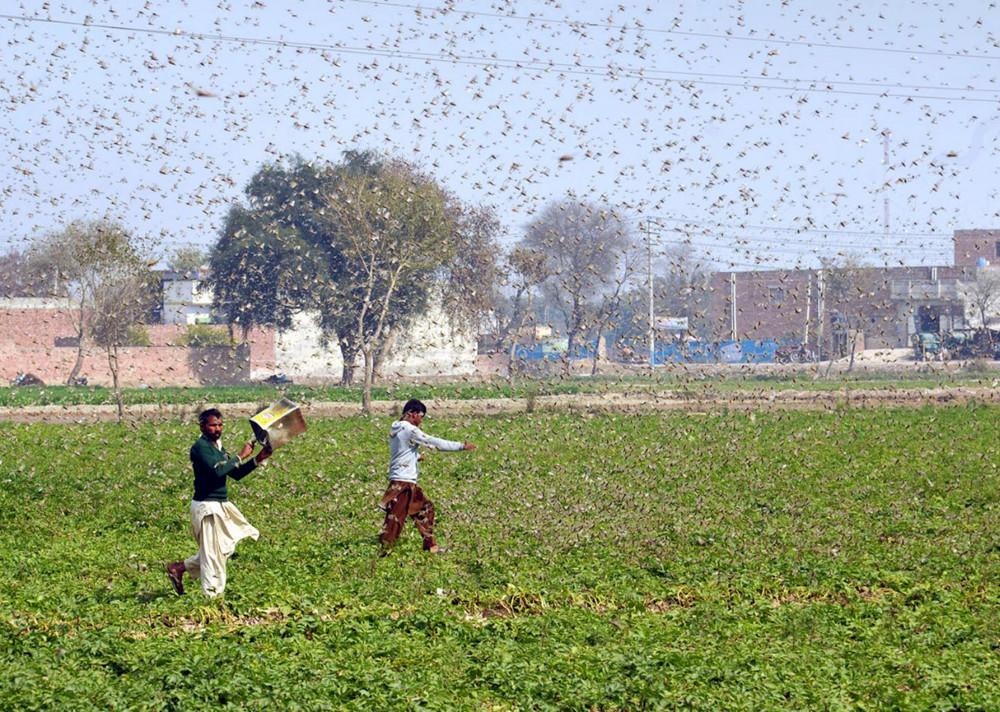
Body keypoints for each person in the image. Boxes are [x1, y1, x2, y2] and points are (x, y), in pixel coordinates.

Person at [166, 407, 272, 596]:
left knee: (222, 549)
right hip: (207, 506)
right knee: (213, 556)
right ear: (202, 427)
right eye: (213, 425)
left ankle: (179, 568)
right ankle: (212, 598)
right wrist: (239, 456)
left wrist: (257, 459)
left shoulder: (218, 448)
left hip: (219, 503)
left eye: (220, 425)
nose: (217, 429)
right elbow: (217, 472)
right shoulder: (200, 448)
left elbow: (235, 473)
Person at [378, 398, 476, 553]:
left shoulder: (395, 427)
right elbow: (433, 442)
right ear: (414, 414)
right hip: (402, 483)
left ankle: (431, 546)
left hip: (406, 481)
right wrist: (460, 446)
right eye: (421, 416)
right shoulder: (409, 429)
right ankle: (382, 553)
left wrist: (415, 457)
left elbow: (400, 451)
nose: (421, 420)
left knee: (426, 508)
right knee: (394, 520)